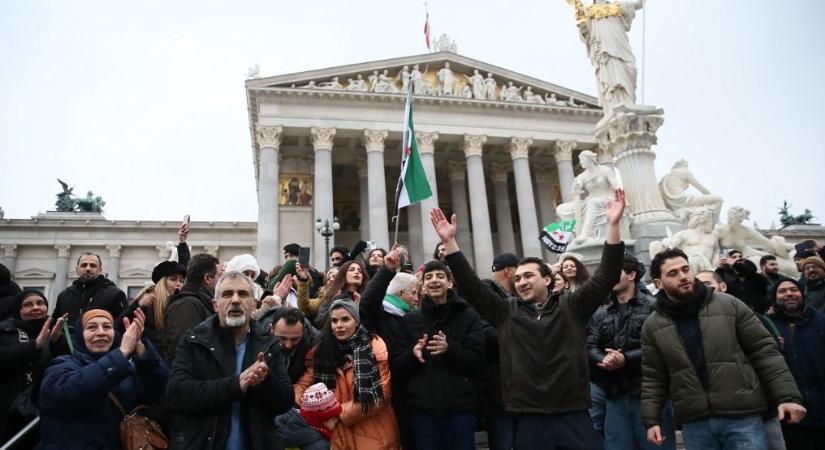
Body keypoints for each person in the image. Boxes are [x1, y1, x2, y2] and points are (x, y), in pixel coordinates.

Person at [428, 187, 627, 450]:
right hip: (528, 416)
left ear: (547, 278)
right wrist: (450, 244)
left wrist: (612, 227)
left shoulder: (572, 306)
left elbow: (606, 275)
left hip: (573, 412)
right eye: (518, 277)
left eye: (529, 276)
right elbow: (471, 286)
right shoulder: (505, 312)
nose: (521, 282)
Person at [641, 248, 806, 449]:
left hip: (742, 414)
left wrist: (787, 396)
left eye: (686, 269)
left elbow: (765, 353)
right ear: (658, 283)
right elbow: (653, 376)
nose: (683, 276)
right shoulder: (653, 325)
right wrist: (652, 421)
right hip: (695, 421)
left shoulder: (729, 305)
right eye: (673, 273)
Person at [165, 271, 294, 450]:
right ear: (215, 305)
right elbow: (177, 394)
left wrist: (265, 380)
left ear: (254, 304)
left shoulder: (268, 343)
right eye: (227, 294)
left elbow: (285, 402)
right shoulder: (194, 340)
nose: (235, 300)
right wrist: (235, 385)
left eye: (242, 294)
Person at [37, 308, 168, 450]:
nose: (101, 332)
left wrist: (142, 351)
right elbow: (67, 393)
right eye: (92, 328)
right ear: (81, 335)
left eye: (107, 327)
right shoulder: (62, 364)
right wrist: (121, 353)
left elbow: (157, 390)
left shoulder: (125, 368)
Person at [587, 254, 675, 450]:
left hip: (650, 397)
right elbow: (591, 345)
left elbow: (663, 345)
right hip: (615, 397)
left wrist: (626, 359)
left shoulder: (654, 307)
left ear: (632, 275)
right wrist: (604, 359)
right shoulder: (602, 312)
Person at [294, 299, 399, 449]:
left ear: (356, 322)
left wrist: (334, 414)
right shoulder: (322, 351)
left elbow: (381, 396)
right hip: (338, 437)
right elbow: (302, 385)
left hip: (373, 435)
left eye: (345, 319)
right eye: (334, 321)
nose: (339, 325)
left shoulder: (373, 348)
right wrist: (310, 410)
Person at [360, 248, 419, 449]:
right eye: (414, 293)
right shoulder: (382, 313)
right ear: (401, 293)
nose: (417, 298)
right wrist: (386, 270)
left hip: (411, 395)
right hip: (389, 394)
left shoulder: (411, 318)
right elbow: (367, 304)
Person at [0, 290, 70, 448]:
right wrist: (35, 346)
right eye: (28, 305)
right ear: (18, 310)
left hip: (46, 414)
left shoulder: (57, 330)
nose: (36, 308)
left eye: (40, 303)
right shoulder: (5, 331)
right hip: (9, 415)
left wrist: (57, 341)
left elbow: (67, 366)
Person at [767, 278, 825, 449]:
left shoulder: (820, 322)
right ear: (775, 297)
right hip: (790, 416)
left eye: (794, 289)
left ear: (802, 294)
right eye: (782, 291)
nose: (789, 294)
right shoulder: (765, 326)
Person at [162, 253, 222, 364]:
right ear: (207, 278)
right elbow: (182, 351)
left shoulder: (201, 302)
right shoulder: (187, 305)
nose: (221, 281)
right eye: (219, 276)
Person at [53, 252, 127, 327]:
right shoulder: (64, 296)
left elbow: (123, 325)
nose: (88, 268)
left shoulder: (115, 294)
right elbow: (55, 324)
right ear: (77, 270)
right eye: (84, 265)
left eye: (93, 265)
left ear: (100, 270)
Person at [297, 260, 370, 329]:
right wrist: (334, 305)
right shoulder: (330, 297)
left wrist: (359, 310)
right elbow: (318, 321)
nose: (357, 272)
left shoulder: (368, 297)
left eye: (360, 271)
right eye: (351, 270)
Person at [276, 382, 343, 450]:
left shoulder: (285, 421)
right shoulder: (320, 446)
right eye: (332, 417)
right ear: (321, 420)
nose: (336, 420)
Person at [263, 306, 319, 384]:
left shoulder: (316, 344)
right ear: (271, 329)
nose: (288, 345)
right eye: (282, 338)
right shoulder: (257, 338)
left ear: (303, 331)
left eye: (295, 339)